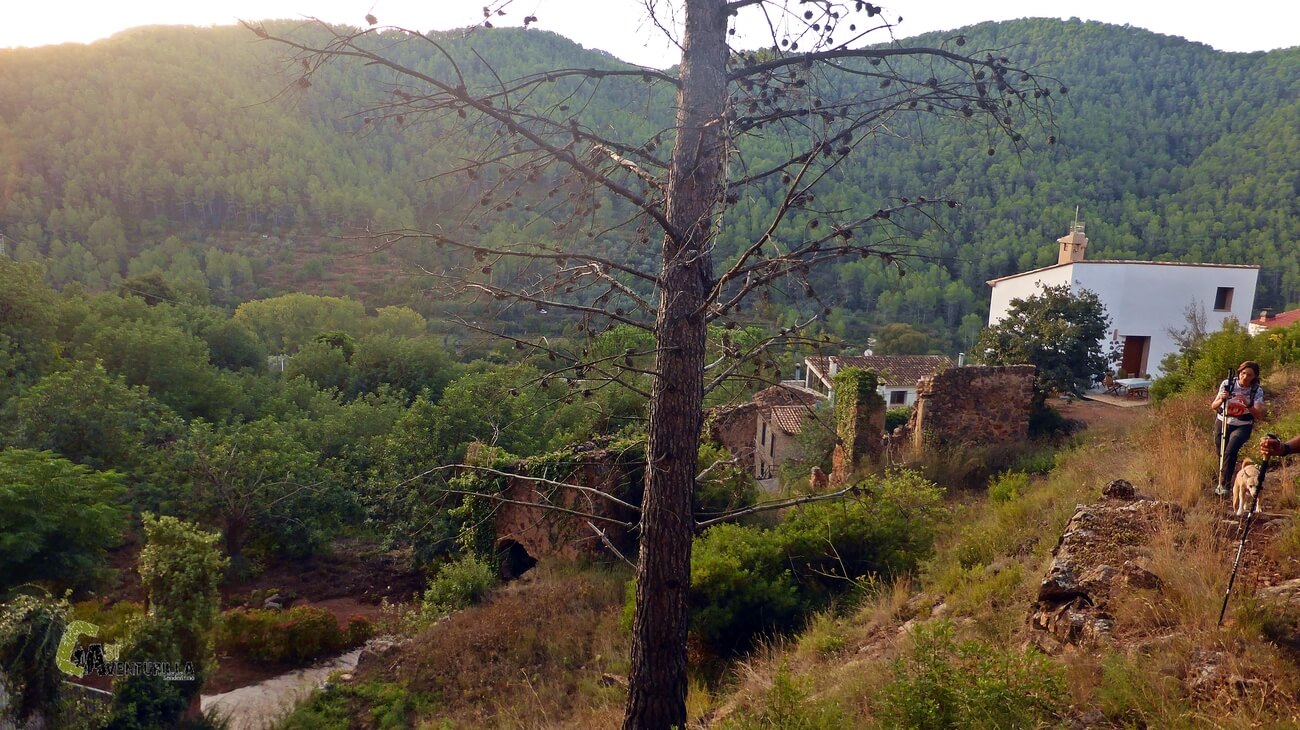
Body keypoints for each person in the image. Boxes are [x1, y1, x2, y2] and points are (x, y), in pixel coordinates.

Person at [1211, 361, 1264, 496]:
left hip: (1243, 425)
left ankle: (1225, 486)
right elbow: (1214, 406)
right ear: (1239, 372)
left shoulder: (1256, 390)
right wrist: (1222, 399)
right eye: (1243, 373)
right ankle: (1223, 481)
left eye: (1249, 375)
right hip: (1223, 420)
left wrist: (1247, 403)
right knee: (1221, 452)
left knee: (1230, 450)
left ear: (1254, 376)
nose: (1245, 377)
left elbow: (1258, 415)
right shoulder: (1227, 384)